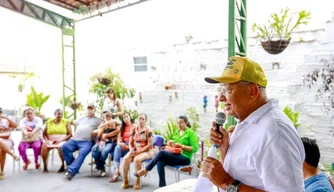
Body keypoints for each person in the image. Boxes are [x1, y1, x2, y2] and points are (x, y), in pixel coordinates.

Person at [202, 56, 305, 191]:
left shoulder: (274, 133)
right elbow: (243, 172)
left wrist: (226, 182)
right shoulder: (249, 121)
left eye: (228, 90)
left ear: (252, 91)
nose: (221, 98)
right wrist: (224, 149)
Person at [135, 115, 198, 187]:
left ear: (186, 123)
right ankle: (162, 187)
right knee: (160, 162)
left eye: (181, 123)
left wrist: (182, 146)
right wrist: (170, 143)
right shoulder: (177, 132)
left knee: (161, 153)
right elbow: (174, 145)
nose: (179, 125)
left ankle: (145, 170)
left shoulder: (191, 133)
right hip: (175, 155)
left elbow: (195, 149)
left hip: (185, 158)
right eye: (178, 123)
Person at [62, 104, 103, 180]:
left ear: (95, 110)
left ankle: (71, 171)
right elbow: (71, 122)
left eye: (91, 109)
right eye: (88, 109)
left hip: (87, 141)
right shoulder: (82, 119)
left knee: (83, 152)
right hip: (74, 140)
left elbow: (107, 123)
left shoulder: (99, 120)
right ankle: (73, 164)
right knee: (64, 147)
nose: (90, 110)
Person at [121, 113, 155, 190]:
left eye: (143, 119)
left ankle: (137, 181)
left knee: (137, 159)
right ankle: (125, 180)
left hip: (148, 150)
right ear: (137, 119)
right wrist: (131, 149)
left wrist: (139, 151)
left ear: (146, 120)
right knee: (126, 159)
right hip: (136, 150)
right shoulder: (133, 129)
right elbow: (130, 142)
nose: (141, 120)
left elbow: (150, 145)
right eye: (139, 118)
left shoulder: (148, 130)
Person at [41, 109, 72, 173]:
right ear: (55, 114)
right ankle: (45, 166)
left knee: (61, 147)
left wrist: (61, 140)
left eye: (61, 114)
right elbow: (44, 134)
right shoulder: (49, 122)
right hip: (50, 140)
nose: (60, 115)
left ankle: (63, 165)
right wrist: (47, 140)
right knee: (44, 147)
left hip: (62, 140)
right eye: (58, 114)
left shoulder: (66, 121)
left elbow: (70, 134)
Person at [109, 112, 136, 182]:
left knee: (117, 149)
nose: (125, 118)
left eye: (127, 116)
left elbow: (137, 140)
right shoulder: (122, 128)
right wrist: (121, 144)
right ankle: (117, 171)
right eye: (123, 118)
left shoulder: (135, 127)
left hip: (132, 148)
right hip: (123, 146)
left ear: (130, 117)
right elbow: (118, 141)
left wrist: (128, 147)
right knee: (117, 148)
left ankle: (116, 172)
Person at [92, 111, 120, 177]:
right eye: (106, 117)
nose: (107, 118)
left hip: (111, 141)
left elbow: (118, 131)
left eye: (109, 116)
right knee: (94, 150)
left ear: (111, 117)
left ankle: (99, 166)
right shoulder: (103, 123)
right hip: (102, 141)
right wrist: (103, 128)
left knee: (105, 151)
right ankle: (101, 167)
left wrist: (106, 135)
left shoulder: (115, 123)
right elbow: (99, 134)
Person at [0, 108, 19, 179]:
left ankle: (1, 171)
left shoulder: (5, 121)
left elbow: (16, 126)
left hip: (7, 141)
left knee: (2, 150)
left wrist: (6, 118)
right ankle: (13, 155)